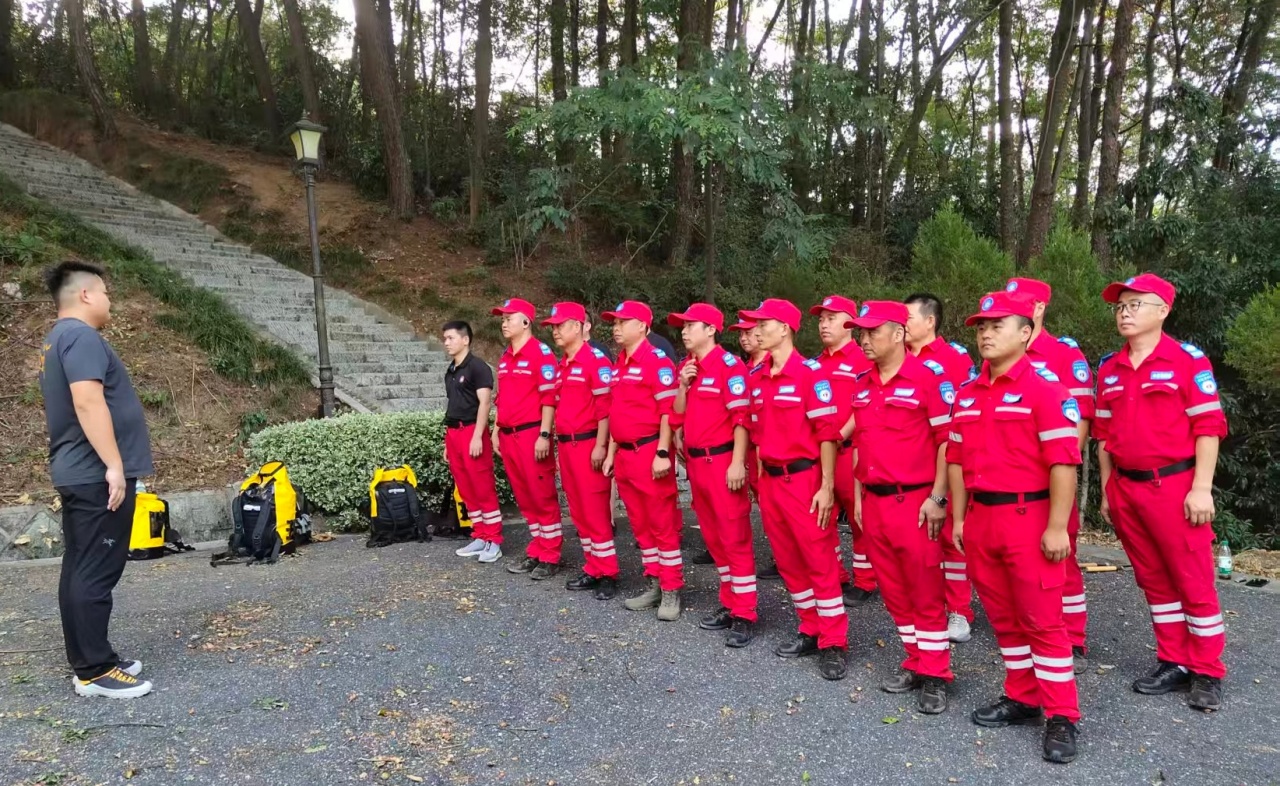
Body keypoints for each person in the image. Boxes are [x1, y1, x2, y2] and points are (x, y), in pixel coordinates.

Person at [947, 290, 1083, 763]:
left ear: (1026, 333)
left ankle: (1062, 714)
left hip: (1029, 518)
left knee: (1042, 620)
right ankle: (1023, 697)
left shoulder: (1046, 390)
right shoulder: (967, 393)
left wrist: (1058, 526)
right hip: (982, 518)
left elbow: (1064, 462)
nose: (985, 334)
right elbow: (956, 459)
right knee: (1004, 618)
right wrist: (959, 517)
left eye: (997, 326)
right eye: (981, 327)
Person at [1094, 273, 1228, 712]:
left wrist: (1201, 489)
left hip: (1173, 485)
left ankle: (1207, 669)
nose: (1125, 313)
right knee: (1152, 578)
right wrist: (1108, 490)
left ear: (1163, 311)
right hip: (1126, 487)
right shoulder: (1110, 368)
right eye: (1120, 306)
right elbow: (1103, 436)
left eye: (1135, 304)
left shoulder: (1187, 361)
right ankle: (1174, 660)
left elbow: (1208, 427)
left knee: (1192, 577)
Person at [38, 260, 154, 699]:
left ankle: (92, 657)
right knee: (95, 569)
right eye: (105, 292)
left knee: (81, 566)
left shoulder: (59, 338)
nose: (109, 301)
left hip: (80, 472)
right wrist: (114, 465)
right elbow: (88, 402)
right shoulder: (81, 336)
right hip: (94, 474)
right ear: (86, 294)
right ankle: (94, 671)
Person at [846, 301, 954, 714]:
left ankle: (936, 673)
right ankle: (915, 659)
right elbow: (861, 445)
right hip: (874, 503)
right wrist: (858, 498)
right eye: (861, 332)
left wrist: (938, 497)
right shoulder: (863, 384)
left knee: (924, 589)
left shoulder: (927, 379)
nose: (864, 340)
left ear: (898, 334)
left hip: (914, 502)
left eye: (872, 332)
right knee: (893, 590)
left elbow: (946, 443)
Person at [739, 298, 848, 681]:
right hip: (771, 482)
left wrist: (827, 486)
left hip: (804, 481)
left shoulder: (809, 375)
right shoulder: (757, 378)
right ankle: (810, 627)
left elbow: (827, 435)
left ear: (784, 328)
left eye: (763, 324)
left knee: (818, 559)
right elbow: (755, 433)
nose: (756, 331)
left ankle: (833, 641)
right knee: (787, 560)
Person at [1006, 277, 1096, 671]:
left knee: (1061, 558)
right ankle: (1031, 630)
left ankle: (1072, 636)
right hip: (1010, 483)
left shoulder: (1063, 354)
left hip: (1050, 481)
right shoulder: (1000, 352)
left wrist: (1059, 470)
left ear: (1039, 308)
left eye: (1020, 302)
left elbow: (1080, 422)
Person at [669, 303, 756, 647]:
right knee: (715, 538)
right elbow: (677, 414)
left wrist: (738, 462)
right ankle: (730, 602)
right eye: (683, 326)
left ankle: (745, 613)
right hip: (696, 465)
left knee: (734, 536)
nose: (684, 331)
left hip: (722, 462)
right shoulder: (687, 367)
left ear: (710, 330)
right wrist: (683, 386)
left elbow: (741, 418)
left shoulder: (729, 366)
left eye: (690, 326)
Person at [600, 300, 684, 620]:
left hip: (649, 452)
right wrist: (611, 453)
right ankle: (655, 583)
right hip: (625, 455)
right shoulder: (619, 363)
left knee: (662, 524)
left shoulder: (656, 361)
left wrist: (663, 452)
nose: (616, 328)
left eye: (623, 322)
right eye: (615, 322)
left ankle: (672, 589)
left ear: (643, 327)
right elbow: (616, 411)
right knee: (640, 524)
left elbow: (668, 412)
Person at [904, 292, 976, 643]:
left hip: (948, 459)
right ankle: (928, 605)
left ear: (929, 321)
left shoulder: (954, 359)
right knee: (921, 541)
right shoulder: (899, 356)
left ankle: (960, 610)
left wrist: (943, 487)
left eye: (908, 319)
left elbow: (961, 417)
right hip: (910, 466)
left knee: (950, 537)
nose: (902, 325)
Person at [543, 302, 619, 600]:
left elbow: (605, 409)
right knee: (578, 509)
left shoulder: (595, 361)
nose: (555, 331)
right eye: (553, 327)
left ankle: (608, 572)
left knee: (595, 510)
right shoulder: (563, 364)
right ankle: (593, 567)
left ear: (578, 326)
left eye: (560, 326)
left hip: (588, 444)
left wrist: (601, 445)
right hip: (567, 445)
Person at [808, 295, 874, 608]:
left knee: (859, 516)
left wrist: (838, 435)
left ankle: (865, 579)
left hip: (850, 451)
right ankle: (835, 574)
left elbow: (863, 406)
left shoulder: (863, 360)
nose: (824, 325)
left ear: (849, 323)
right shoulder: (815, 365)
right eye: (821, 319)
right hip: (821, 453)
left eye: (831, 318)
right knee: (823, 516)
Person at [490, 298, 563, 575]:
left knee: (541, 494)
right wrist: (496, 430)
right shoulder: (506, 356)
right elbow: (502, 399)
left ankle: (551, 553)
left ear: (525, 322)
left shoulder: (540, 354)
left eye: (509, 318)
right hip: (509, 435)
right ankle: (537, 547)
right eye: (502, 319)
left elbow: (549, 399)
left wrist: (544, 434)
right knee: (524, 495)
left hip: (531, 433)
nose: (504, 323)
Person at [442, 321, 505, 562]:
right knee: (466, 488)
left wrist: (478, 436)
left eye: (451, 338)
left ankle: (494, 540)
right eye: (445, 339)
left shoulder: (478, 367)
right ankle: (480, 534)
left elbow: (485, 404)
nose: (446, 343)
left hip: (471, 431)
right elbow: (453, 406)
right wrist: (447, 442)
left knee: (482, 486)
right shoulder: (451, 370)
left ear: (465, 340)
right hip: (454, 433)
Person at [731, 319, 780, 580]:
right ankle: (780, 556)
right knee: (766, 506)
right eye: (741, 334)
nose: (745, 338)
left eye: (749, 332)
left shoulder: (777, 364)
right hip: (752, 448)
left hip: (776, 450)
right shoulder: (745, 369)